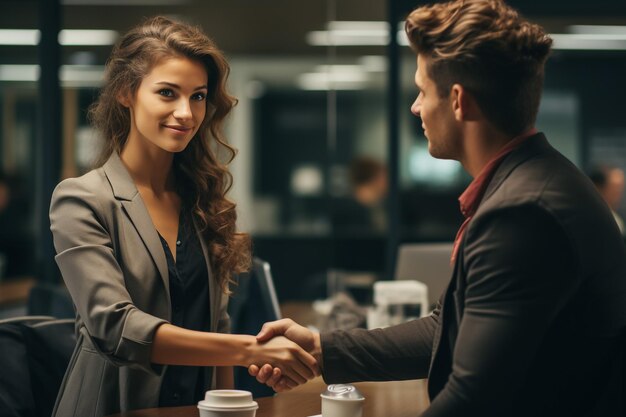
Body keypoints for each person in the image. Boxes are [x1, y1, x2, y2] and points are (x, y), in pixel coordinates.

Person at [250, 1, 626, 416]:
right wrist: (323, 349)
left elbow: (472, 400)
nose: (416, 107)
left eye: (423, 91)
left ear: (459, 101)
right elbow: (447, 328)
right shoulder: (537, 182)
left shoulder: (523, 213)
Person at [49, 16, 317, 417]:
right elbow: (116, 326)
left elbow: (217, 327)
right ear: (127, 93)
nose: (186, 113)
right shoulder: (82, 198)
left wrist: (229, 407)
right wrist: (249, 350)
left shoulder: (201, 200)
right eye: (167, 93)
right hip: (112, 407)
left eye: (197, 96)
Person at [589, 165, 626, 235]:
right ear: (598, 188)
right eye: (615, 189)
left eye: (620, 189)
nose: (619, 195)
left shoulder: (616, 219)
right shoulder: (601, 219)